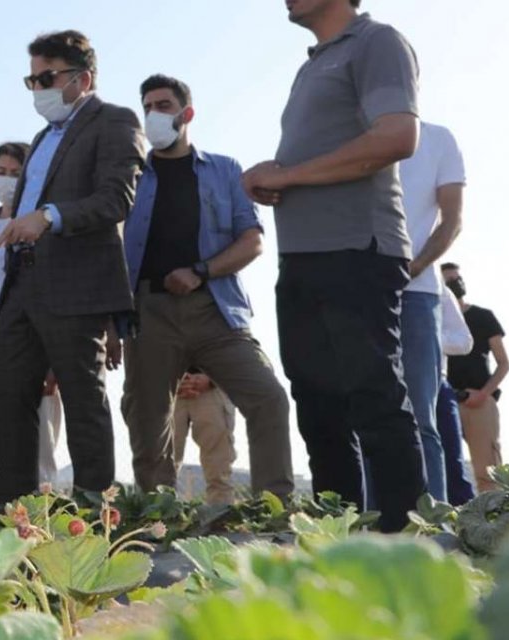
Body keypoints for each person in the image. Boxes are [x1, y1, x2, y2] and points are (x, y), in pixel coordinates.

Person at [242, 0, 423, 531]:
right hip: (301, 257)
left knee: (374, 397)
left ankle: (403, 540)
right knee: (318, 408)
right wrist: (280, 178)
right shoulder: (310, 64)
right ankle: (337, 539)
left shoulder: (376, 41)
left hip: (357, 250)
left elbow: (396, 137)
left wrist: (290, 176)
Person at [0, 30, 143, 504]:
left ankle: (95, 510)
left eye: (48, 77)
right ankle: (12, 511)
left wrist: (49, 216)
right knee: (10, 401)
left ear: (84, 77)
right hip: (21, 284)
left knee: (81, 400)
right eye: (32, 80)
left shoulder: (115, 121)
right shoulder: (39, 139)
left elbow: (116, 198)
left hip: (76, 285)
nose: (39, 88)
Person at [121, 74, 294, 501]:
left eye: (163, 106)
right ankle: (157, 517)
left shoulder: (224, 170)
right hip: (148, 313)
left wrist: (200, 271)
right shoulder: (129, 177)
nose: (153, 115)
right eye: (147, 107)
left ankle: (276, 509)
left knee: (268, 398)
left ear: (187, 113)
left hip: (216, 310)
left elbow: (252, 240)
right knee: (148, 420)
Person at [0, 142, 65, 489]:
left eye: (15, 173)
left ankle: (41, 518)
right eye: (0, 172)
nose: (6, 180)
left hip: (31, 346)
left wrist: (52, 359)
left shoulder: (45, 228)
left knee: (37, 441)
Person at [395, 122, 466, 501]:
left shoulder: (439, 139)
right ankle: (374, 524)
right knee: (367, 416)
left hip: (417, 293)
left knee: (423, 418)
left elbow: (453, 220)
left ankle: (434, 523)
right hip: (359, 294)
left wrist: (415, 266)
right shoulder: (349, 133)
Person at [443, 263, 507, 493]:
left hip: (479, 402)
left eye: (457, 279)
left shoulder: (482, 316)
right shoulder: (436, 320)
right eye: (449, 281)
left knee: (489, 473)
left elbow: (503, 362)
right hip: (446, 401)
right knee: (447, 468)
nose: (456, 284)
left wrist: (483, 394)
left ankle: (498, 526)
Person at [171, 370, 237, 505]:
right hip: (165, 386)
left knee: (219, 470)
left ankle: (220, 521)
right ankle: (154, 523)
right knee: (158, 470)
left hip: (213, 386)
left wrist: (213, 378)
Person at [438, 284, 476, 505]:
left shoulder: (440, 291)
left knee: (451, 462)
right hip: (388, 385)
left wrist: (424, 335)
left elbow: (464, 341)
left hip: (436, 385)